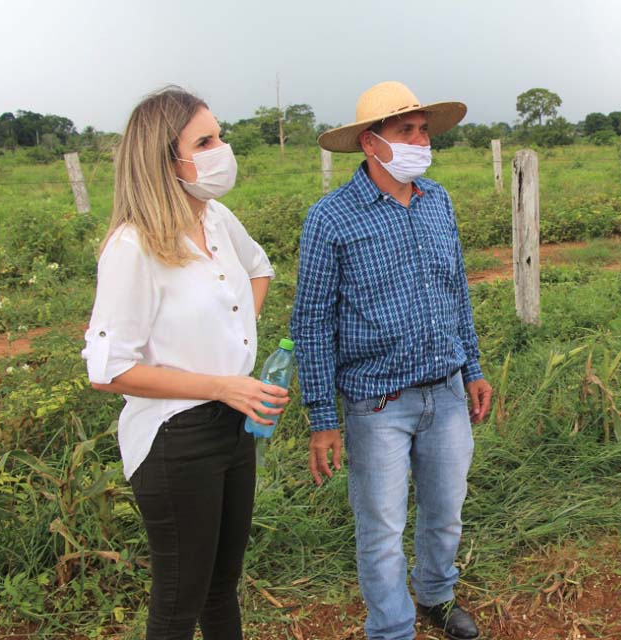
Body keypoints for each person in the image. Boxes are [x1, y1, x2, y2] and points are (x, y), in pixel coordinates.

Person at [82, 86, 288, 640]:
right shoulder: (134, 247)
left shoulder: (216, 218)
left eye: (220, 135)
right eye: (206, 140)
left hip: (232, 424)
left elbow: (259, 268)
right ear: (165, 159)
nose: (224, 148)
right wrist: (221, 382)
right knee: (179, 599)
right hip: (176, 437)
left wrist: (235, 342)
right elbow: (108, 370)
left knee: (222, 586)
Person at [291, 81, 493, 640]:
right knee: (381, 529)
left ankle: (434, 595)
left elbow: (456, 292)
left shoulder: (437, 202)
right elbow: (311, 322)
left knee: (445, 512)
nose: (420, 141)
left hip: (447, 390)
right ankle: (391, 629)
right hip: (377, 403)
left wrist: (471, 368)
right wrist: (322, 418)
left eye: (424, 130)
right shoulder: (332, 218)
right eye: (406, 131)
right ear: (370, 143)